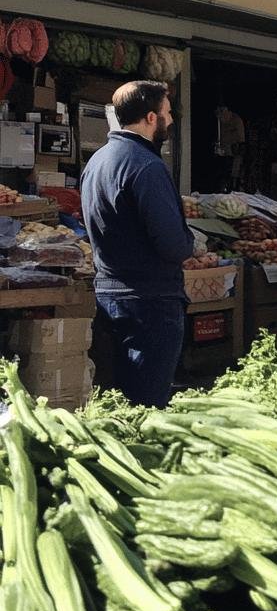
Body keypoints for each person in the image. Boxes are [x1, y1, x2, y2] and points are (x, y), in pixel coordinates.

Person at [82, 80, 193, 407]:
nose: (171, 120)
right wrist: (189, 243)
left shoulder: (96, 162)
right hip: (150, 301)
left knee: (117, 397)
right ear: (150, 117)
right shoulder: (147, 166)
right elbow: (172, 244)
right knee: (147, 402)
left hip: (109, 294)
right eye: (167, 113)